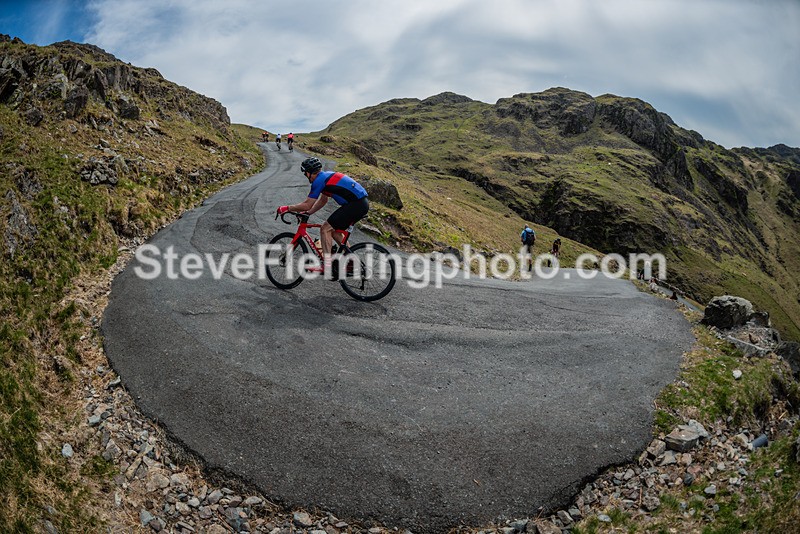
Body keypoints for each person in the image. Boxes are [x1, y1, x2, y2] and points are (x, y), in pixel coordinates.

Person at [277, 157, 369, 279]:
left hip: (356, 204)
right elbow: (323, 200)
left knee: (325, 228)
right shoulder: (325, 177)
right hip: (360, 203)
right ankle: (352, 262)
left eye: (305, 173)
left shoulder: (318, 181)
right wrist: (308, 213)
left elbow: (307, 203)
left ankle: (327, 265)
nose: (306, 176)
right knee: (334, 232)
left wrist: (287, 208)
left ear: (309, 172)